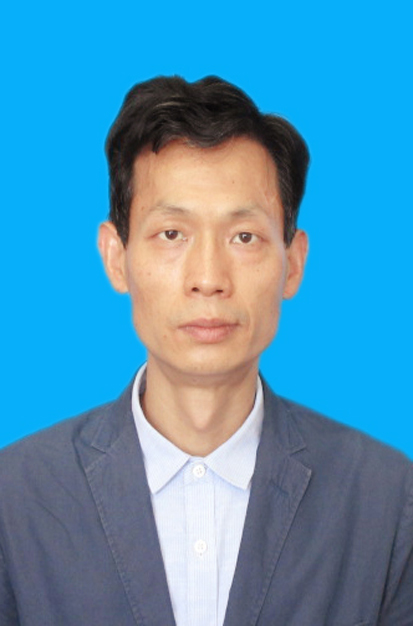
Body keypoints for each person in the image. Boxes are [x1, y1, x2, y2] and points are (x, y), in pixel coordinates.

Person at [0, 76, 412, 626]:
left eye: (244, 237)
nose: (209, 278)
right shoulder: (15, 498)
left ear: (293, 263)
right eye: (172, 234)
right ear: (116, 257)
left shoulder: (387, 498)